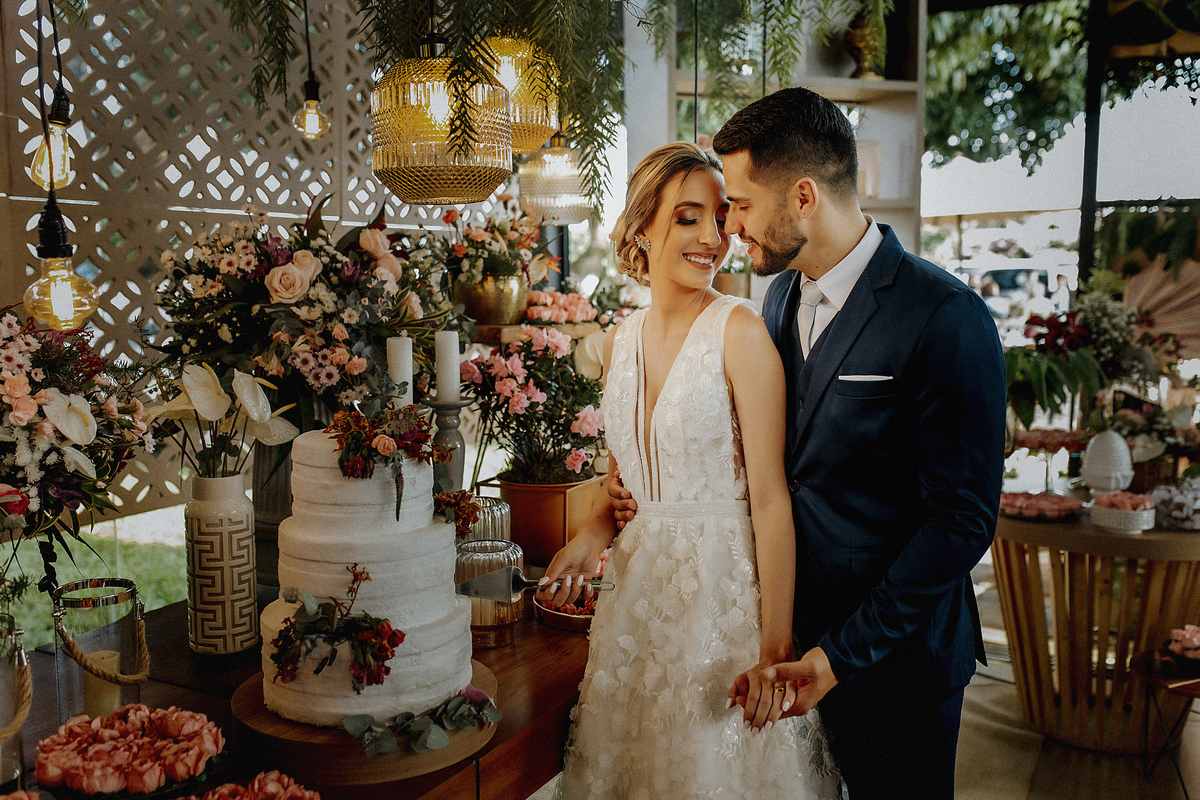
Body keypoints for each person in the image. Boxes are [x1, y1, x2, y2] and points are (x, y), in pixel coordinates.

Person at [702, 86, 1004, 798]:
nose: (729, 226)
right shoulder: (777, 299)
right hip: (791, 648)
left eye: (741, 204)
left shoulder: (946, 316)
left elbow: (960, 522)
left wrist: (838, 657)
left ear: (803, 196)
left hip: (899, 663)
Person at [536, 141, 840, 800]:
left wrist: (774, 650)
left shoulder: (741, 333)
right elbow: (623, 484)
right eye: (687, 217)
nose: (712, 236)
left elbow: (771, 502)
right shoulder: (618, 341)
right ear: (643, 226)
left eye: (720, 217)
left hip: (722, 610)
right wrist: (589, 538)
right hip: (635, 611)